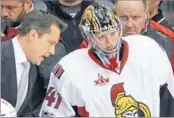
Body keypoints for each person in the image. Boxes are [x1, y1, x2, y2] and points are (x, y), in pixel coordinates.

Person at [39, 3, 174, 117]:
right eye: (101, 36)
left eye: (113, 33)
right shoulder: (68, 69)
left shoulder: (149, 50)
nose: (109, 41)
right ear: (87, 36)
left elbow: (168, 103)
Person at [1, 10, 67, 117]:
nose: (52, 51)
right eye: (51, 43)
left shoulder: (32, 70)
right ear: (33, 35)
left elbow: (24, 111)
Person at [115, 0, 174, 116]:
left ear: (146, 17)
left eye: (135, 17)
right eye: (123, 18)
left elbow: (170, 90)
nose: (130, 25)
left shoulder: (166, 41)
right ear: (114, 17)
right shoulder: (96, 43)